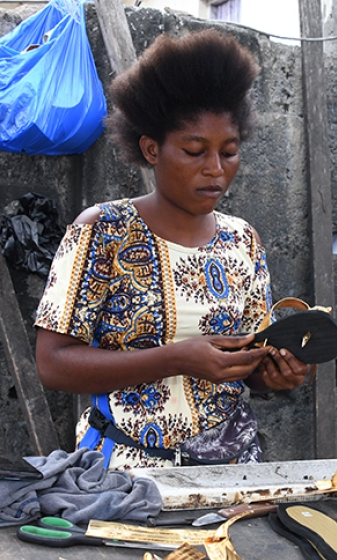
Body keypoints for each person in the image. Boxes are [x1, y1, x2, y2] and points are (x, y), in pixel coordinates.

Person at [34, 29, 310, 470]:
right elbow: (53, 364)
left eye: (230, 151)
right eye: (194, 150)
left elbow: (250, 358)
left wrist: (278, 373)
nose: (216, 169)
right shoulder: (104, 232)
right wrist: (174, 359)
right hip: (128, 470)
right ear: (151, 149)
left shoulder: (243, 241)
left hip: (234, 470)